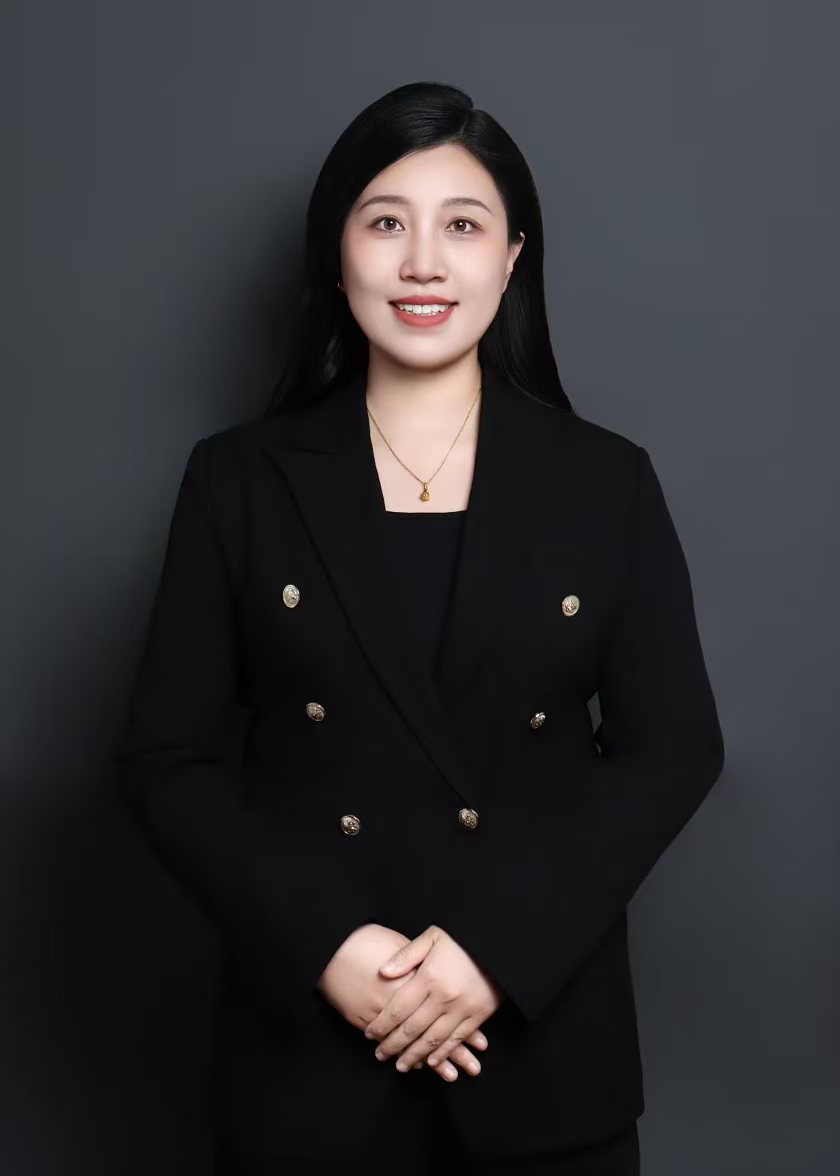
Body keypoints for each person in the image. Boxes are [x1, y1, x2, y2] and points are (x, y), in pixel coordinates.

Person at [114, 81, 725, 1174]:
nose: (425, 264)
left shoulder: (606, 482)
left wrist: (501, 952)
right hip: (306, 1071)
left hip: (542, 1058)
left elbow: (674, 749)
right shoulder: (238, 481)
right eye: (387, 222)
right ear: (336, 251)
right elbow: (168, 758)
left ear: (513, 256)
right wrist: (326, 948)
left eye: (464, 226)